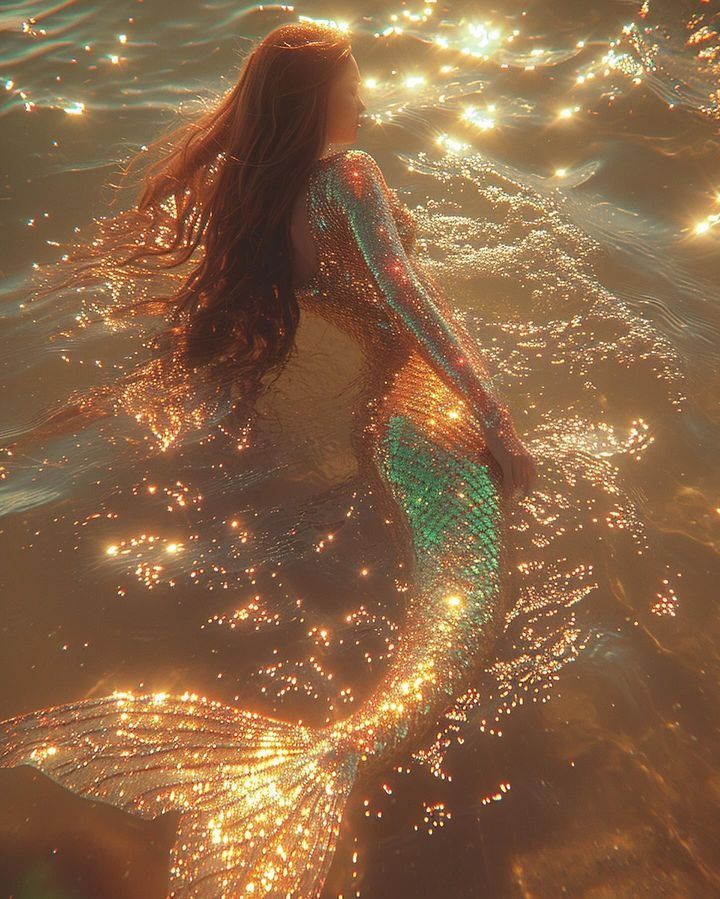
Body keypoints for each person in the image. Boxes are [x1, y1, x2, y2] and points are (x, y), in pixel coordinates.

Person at [0, 20, 537, 897]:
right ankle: (337, 753)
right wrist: (500, 423)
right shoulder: (351, 177)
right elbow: (412, 299)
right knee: (465, 588)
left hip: (365, 409)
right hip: (418, 406)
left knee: (436, 582)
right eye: (352, 80)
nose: (364, 96)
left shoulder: (241, 186)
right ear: (315, 98)